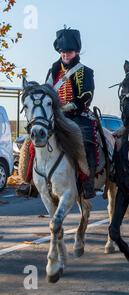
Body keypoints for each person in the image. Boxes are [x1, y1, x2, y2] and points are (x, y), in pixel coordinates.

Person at [17, 27, 97, 199]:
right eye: (62, 52)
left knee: (86, 141)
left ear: (76, 51)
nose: (66, 55)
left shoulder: (85, 72)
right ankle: (29, 181)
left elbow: (86, 97)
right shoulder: (53, 70)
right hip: (55, 116)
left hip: (77, 115)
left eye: (69, 51)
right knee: (31, 142)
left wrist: (66, 108)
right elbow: (46, 91)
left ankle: (87, 181)